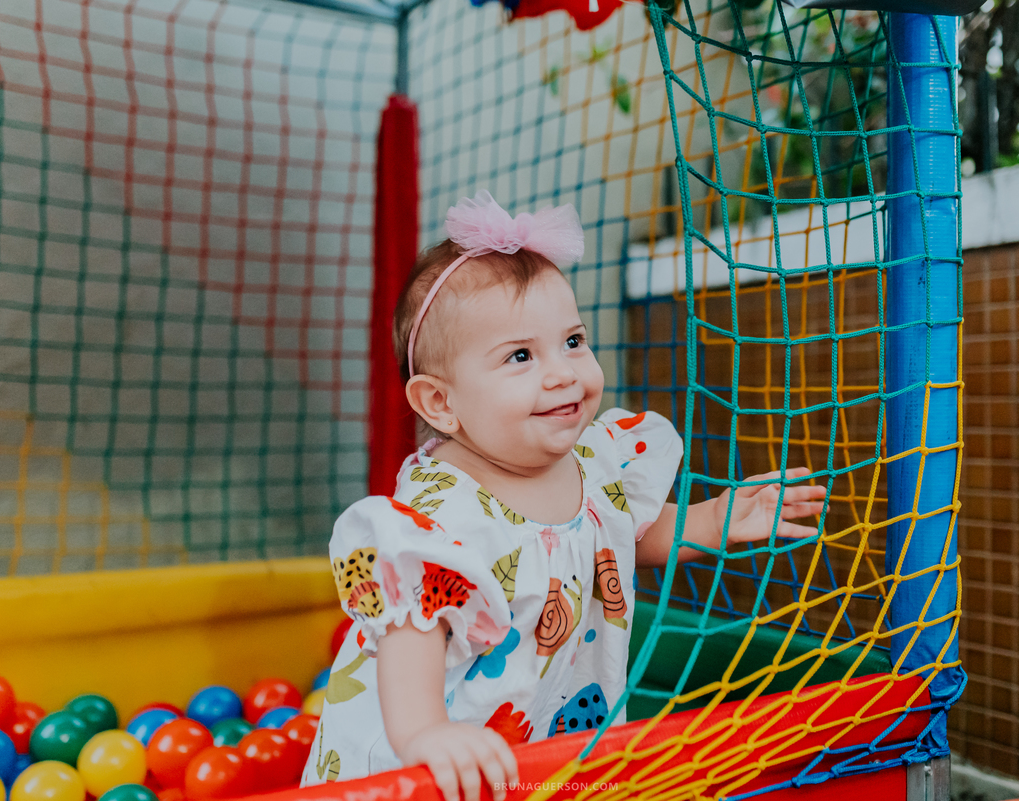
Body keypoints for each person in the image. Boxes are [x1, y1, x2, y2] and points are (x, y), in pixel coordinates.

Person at [301, 191, 826, 801]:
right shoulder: (437, 516)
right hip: (420, 760)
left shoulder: (596, 463)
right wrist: (426, 734)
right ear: (441, 403)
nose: (562, 372)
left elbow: (620, 537)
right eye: (521, 356)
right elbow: (410, 637)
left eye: (573, 341)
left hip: (543, 741)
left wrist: (713, 519)